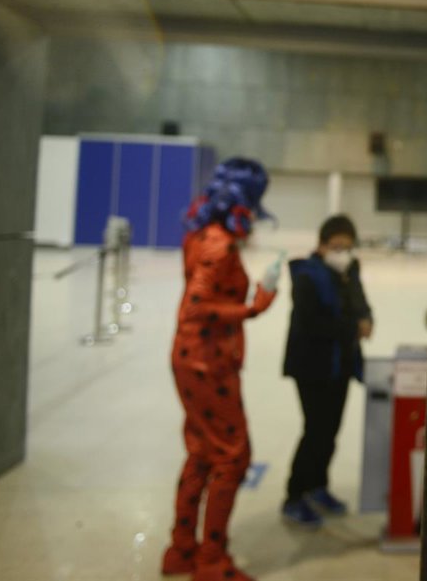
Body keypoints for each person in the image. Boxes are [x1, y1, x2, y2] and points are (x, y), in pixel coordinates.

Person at [161, 158, 279, 581]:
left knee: (201, 452)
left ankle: (181, 550)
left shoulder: (199, 236)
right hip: (207, 360)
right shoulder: (220, 244)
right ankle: (211, 561)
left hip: (193, 357)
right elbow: (196, 306)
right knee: (232, 456)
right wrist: (253, 308)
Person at [280, 215, 374, 526]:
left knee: (330, 432)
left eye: (347, 247)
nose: (342, 253)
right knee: (315, 431)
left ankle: (318, 486)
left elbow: (359, 300)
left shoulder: (350, 269)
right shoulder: (306, 275)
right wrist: (352, 327)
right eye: (336, 247)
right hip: (312, 366)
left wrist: (366, 317)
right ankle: (294, 496)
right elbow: (311, 323)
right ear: (321, 246)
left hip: (341, 365)